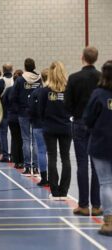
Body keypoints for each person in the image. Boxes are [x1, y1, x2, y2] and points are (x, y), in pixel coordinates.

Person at [64, 46, 102, 216]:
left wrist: (75, 114)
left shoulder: (74, 78)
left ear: (82, 58)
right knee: (96, 165)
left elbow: (67, 104)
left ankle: (84, 205)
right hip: (98, 125)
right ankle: (96, 205)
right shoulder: (102, 78)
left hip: (79, 122)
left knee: (81, 163)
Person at [83, 60, 112, 236]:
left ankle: (109, 220)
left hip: (101, 143)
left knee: (107, 183)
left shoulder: (98, 94)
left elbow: (88, 119)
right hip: (102, 143)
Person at [38, 62, 72, 199]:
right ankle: (63, 191)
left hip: (50, 127)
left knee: (52, 157)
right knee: (65, 158)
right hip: (65, 127)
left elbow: (40, 110)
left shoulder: (45, 91)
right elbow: (72, 108)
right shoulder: (69, 90)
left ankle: (55, 191)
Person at [12, 58, 42, 177]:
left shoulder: (20, 80)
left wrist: (17, 109)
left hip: (23, 112)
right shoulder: (39, 79)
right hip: (36, 113)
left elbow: (13, 96)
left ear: (25, 66)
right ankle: (35, 168)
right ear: (34, 66)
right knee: (35, 141)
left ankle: (27, 166)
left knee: (26, 139)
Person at [28, 68, 49, 186]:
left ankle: (45, 177)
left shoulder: (36, 92)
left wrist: (32, 120)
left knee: (41, 151)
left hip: (37, 125)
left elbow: (30, 109)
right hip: (49, 125)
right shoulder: (53, 91)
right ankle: (51, 177)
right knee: (50, 153)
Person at [4, 70, 24, 169]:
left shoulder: (8, 90)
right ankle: (22, 160)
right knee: (22, 139)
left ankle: (15, 160)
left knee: (15, 139)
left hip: (11, 117)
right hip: (21, 117)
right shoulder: (22, 91)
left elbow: (4, 103)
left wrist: (8, 111)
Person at [0, 64, 14, 162]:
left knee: (3, 133)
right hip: (14, 111)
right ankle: (14, 155)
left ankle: (5, 155)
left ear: (3, 70)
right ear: (12, 70)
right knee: (15, 135)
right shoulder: (16, 80)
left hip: (3, 111)